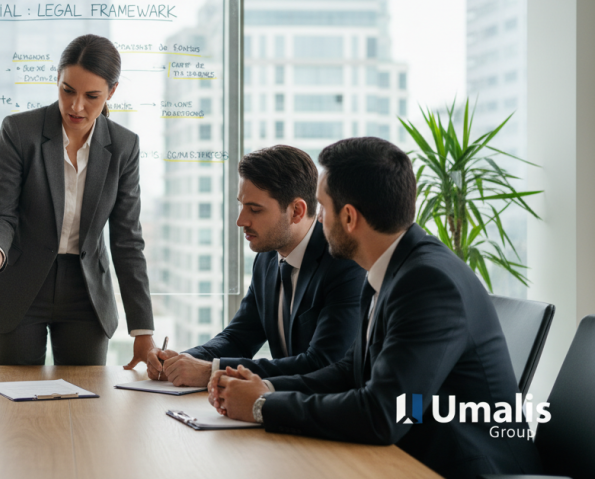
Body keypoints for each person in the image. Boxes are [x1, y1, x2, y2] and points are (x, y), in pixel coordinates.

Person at [209, 137, 542, 479]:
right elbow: (348, 372)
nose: (317, 219)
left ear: (349, 217)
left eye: (321, 207)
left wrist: (263, 406)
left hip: (464, 470)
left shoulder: (427, 282)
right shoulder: (391, 269)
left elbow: (384, 414)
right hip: (407, 459)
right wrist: (268, 389)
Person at [0, 34, 155, 366]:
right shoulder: (19, 131)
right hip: (17, 282)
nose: (77, 106)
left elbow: (127, 241)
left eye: (92, 96)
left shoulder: (124, 146)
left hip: (86, 293)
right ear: (57, 81)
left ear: (112, 91)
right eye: (68, 90)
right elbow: (0, 214)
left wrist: (143, 331)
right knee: (14, 401)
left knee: (84, 404)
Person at [145, 145, 364, 386]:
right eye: (242, 205)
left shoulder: (344, 263)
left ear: (296, 211)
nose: (241, 221)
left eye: (255, 209)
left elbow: (323, 363)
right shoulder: (267, 258)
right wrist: (183, 360)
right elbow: (239, 338)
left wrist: (212, 371)